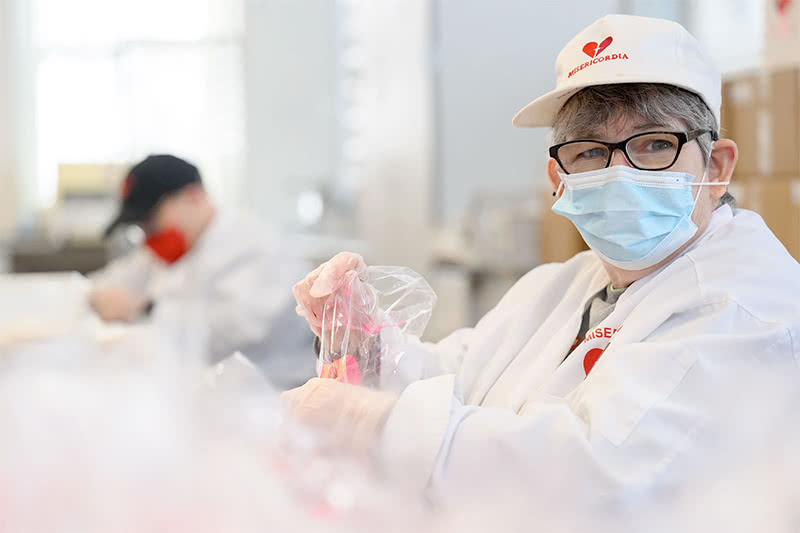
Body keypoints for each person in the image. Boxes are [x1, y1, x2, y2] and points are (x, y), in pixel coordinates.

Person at [282, 14, 800, 513]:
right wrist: (361, 340)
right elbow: (461, 375)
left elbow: (595, 480)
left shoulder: (744, 309)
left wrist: (372, 424)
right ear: (558, 178)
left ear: (716, 167)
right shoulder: (564, 284)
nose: (620, 173)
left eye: (655, 144)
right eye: (590, 152)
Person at [90, 154, 314, 388]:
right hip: (205, 386)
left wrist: (146, 309)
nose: (148, 233)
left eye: (151, 218)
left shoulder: (254, 245)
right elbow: (111, 282)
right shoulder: (169, 247)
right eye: (141, 224)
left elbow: (234, 332)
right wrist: (91, 296)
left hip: (276, 390)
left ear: (193, 196)